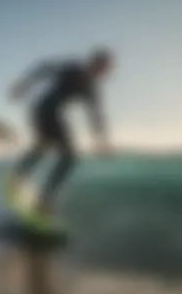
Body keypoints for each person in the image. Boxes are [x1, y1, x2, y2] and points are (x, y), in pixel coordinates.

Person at [8, 48, 113, 233]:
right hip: (44, 109)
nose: (101, 73)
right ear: (92, 62)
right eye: (100, 67)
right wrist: (23, 85)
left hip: (51, 113)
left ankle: (21, 178)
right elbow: (44, 68)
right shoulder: (73, 70)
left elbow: (96, 116)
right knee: (67, 155)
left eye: (104, 70)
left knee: (50, 148)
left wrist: (101, 141)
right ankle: (42, 197)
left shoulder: (91, 89)